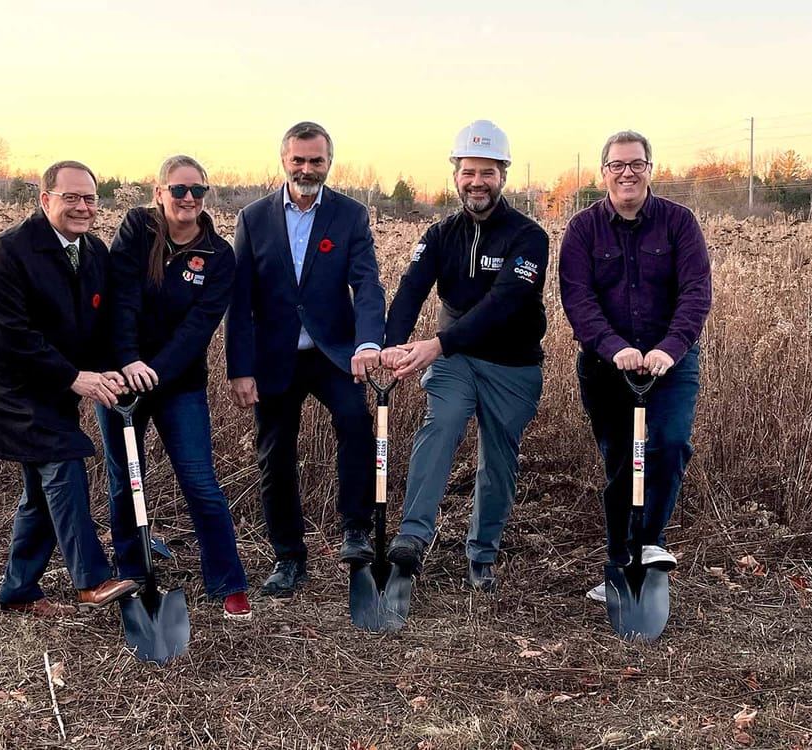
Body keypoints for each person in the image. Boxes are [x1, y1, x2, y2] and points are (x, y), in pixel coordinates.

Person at [380, 120, 549, 592]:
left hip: (512, 365)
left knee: (498, 459)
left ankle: (482, 553)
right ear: (455, 174)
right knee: (442, 424)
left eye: (487, 172)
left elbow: (503, 303)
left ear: (503, 176)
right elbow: (411, 290)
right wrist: (389, 344)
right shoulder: (440, 235)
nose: (477, 182)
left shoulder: (529, 237)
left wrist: (436, 344)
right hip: (455, 361)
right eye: (468, 172)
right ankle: (412, 539)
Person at [0, 160, 139, 617]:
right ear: (45, 200)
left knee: (42, 491)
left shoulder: (95, 252)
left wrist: (109, 370)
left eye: (90, 199)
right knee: (63, 461)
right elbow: (13, 336)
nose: (83, 207)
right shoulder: (6, 253)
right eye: (71, 197)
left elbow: (96, 326)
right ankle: (92, 580)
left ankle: (18, 590)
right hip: (7, 385)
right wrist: (75, 378)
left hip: (55, 384)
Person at [225, 121, 386, 597]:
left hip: (333, 352)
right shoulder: (253, 218)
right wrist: (240, 368)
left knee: (356, 422)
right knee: (275, 454)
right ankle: (289, 557)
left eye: (316, 160)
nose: (307, 168)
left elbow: (368, 283)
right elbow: (240, 299)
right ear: (284, 161)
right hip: (275, 356)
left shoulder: (350, 215)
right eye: (299, 159)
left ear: (329, 163)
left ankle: (355, 530)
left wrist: (368, 343)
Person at [95, 155, 251, 619]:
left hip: (179, 382)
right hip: (121, 377)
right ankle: (133, 572)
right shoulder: (137, 229)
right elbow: (122, 298)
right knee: (127, 479)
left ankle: (228, 581)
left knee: (200, 481)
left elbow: (198, 328)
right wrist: (128, 360)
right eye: (179, 190)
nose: (188, 198)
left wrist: (155, 371)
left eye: (197, 191)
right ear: (160, 192)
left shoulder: (219, 255)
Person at [558, 130, 712, 603]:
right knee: (624, 463)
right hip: (607, 368)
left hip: (670, 364)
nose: (627, 173)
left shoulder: (678, 223)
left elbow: (695, 292)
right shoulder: (583, 229)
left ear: (650, 168)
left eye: (636, 164)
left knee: (669, 444)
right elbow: (578, 299)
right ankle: (619, 566)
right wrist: (612, 347)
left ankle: (649, 544)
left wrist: (670, 347)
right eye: (618, 165)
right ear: (604, 172)